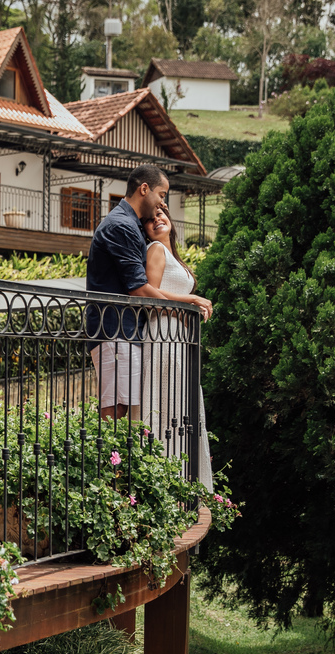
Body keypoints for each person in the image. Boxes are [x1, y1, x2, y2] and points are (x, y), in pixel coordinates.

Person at [86, 164, 171, 420]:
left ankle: (115, 459)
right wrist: (181, 308)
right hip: (115, 329)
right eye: (162, 195)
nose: (161, 204)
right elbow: (138, 289)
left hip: (124, 330)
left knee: (123, 406)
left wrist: (154, 215)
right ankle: (104, 460)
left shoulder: (130, 224)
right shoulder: (121, 225)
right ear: (144, 188)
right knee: (115, 409)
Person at [142, 204, 214, 490]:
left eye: (160, 215)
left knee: (178, 405)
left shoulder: (172, 255)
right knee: (164, 402)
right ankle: (163, 480)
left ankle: (180, 479)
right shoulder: (155, 250)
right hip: (163, 334)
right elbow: (151, 293)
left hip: (177, 336)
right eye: (149, 220)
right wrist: (191, 301)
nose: (156, 221)